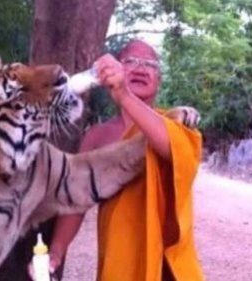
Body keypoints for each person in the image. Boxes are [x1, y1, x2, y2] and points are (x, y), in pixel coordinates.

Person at [46, 39, 204, 281]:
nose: (140, 68)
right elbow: (77, 200)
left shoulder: (177, 123)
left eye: (149, 64)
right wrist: (56, 250)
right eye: (130, 61)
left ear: (159, 80)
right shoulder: (98, 137)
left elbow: (171, 149)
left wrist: (123, 94)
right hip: (119, 266)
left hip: (169, 269)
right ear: (113, 73)